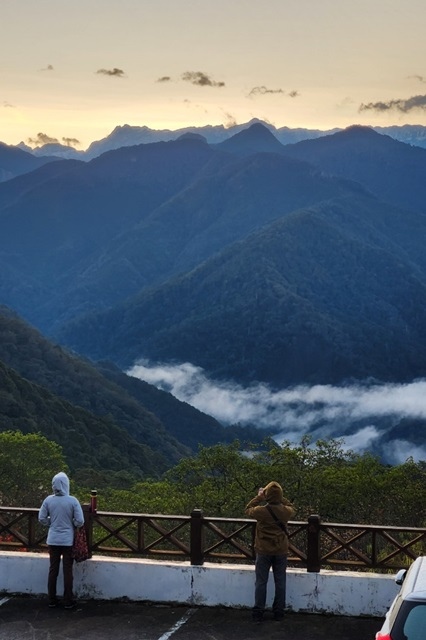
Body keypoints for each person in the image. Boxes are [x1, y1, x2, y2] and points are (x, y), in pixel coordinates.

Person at [245, 481, 295, 623]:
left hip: (263, 550)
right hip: (281, 551)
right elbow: (292, 507)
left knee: (261, 582)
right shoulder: (285, 511)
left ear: (266, 495)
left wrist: (260, 497)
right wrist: (280, 498)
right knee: (280, 582)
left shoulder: (261, 511)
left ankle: (258, 613)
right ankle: (279, 613)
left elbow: (248, 509)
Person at [38, 471, 84, 609]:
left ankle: (52, 599)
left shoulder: (48, 500)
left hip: (52, 539)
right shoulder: (72, 501)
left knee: (53, 569)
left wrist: (51, 522)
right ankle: (68, 600)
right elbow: (80, 521)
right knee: (67, 570)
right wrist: (72, 523)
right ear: (66, 484)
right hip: (67, 540)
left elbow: (41, 519)